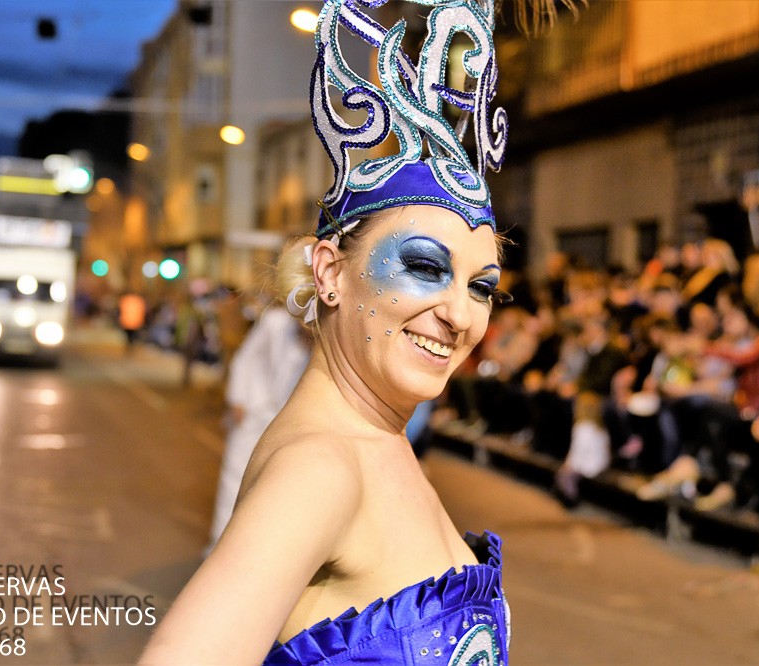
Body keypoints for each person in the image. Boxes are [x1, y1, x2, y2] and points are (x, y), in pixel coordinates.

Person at [141, 1, 516, 663]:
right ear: (330, 272)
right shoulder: (321, 470)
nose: (461, 316)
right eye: (426, 267)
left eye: (481, 285)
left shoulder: (376, 439)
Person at [207, 303, 311, 549]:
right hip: (253, 416)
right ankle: (220, 548)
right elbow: (247, 356)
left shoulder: (325, 340)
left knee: (276, 492)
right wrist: (238, 398)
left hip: (289, 426)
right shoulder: (275, 322)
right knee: (234, 482)